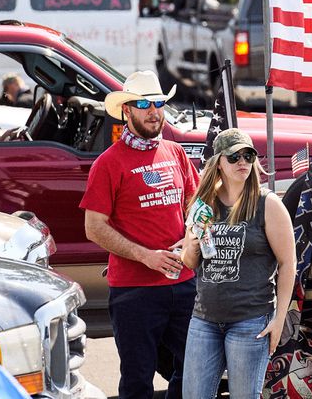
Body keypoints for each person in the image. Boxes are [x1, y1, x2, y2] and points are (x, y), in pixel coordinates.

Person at [81, 70, 198, 399]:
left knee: (197, 367)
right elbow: (94, 227)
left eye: (158, 102)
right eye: (144, 103)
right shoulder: (108, 163)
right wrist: (146, 256)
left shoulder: (175, 153)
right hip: (134, 291)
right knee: (137, 380)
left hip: (183, 283)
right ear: (126, 111)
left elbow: (197, 207)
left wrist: (189, 240)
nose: (153, 110)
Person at [180, 129, 295, 399]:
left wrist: (279, 320)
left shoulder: (268, 204)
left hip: (250, 321)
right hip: (204, 319)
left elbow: (288, 263)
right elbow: (189, 262)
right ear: (218, 161)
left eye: (248, 155)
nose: (242, 162)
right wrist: (193, 245)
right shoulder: (203, 204)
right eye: (234, 157)